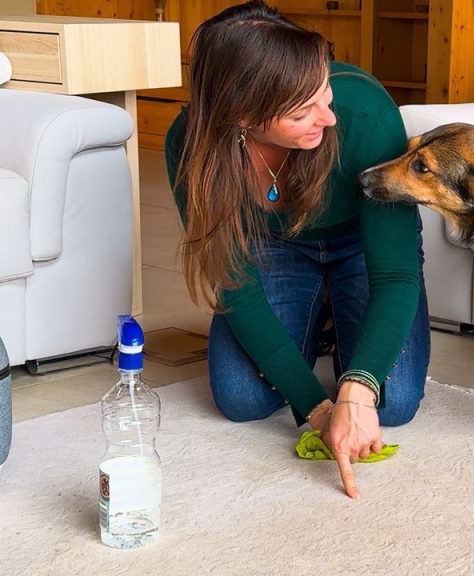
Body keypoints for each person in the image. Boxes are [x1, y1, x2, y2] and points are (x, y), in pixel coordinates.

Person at [165, 0, 430, 499]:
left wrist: (358, 387)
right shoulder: (191, 145)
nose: (326, 117)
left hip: (361, 246)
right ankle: (322, 322)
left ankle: (334, 318)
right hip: (275, 247)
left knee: (392, 404)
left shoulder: (366, 115)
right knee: (241, 399)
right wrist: (321, 408)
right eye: (303, 110)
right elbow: (235, 284)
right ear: (242, 114)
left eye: (323, 89)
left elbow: (394, 274)